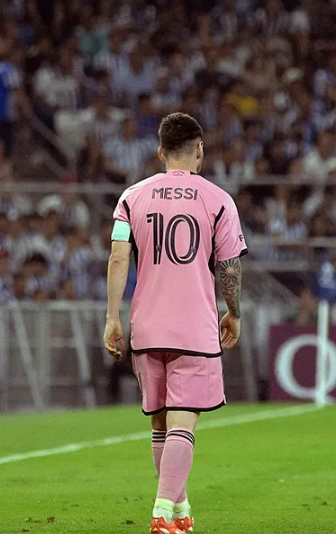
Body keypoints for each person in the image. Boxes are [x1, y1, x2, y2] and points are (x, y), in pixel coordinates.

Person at [104, 112, 247, 534]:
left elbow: (117, 256)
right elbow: (229, 266)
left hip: (146, 327)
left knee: (161, 424)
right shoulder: (219, 200)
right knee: (183, 421)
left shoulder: (131, 197)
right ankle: (162, 512)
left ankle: (180, 511)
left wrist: (112, 317)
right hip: (194, 329)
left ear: (161, 152)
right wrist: (234, 311)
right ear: (199, 150)